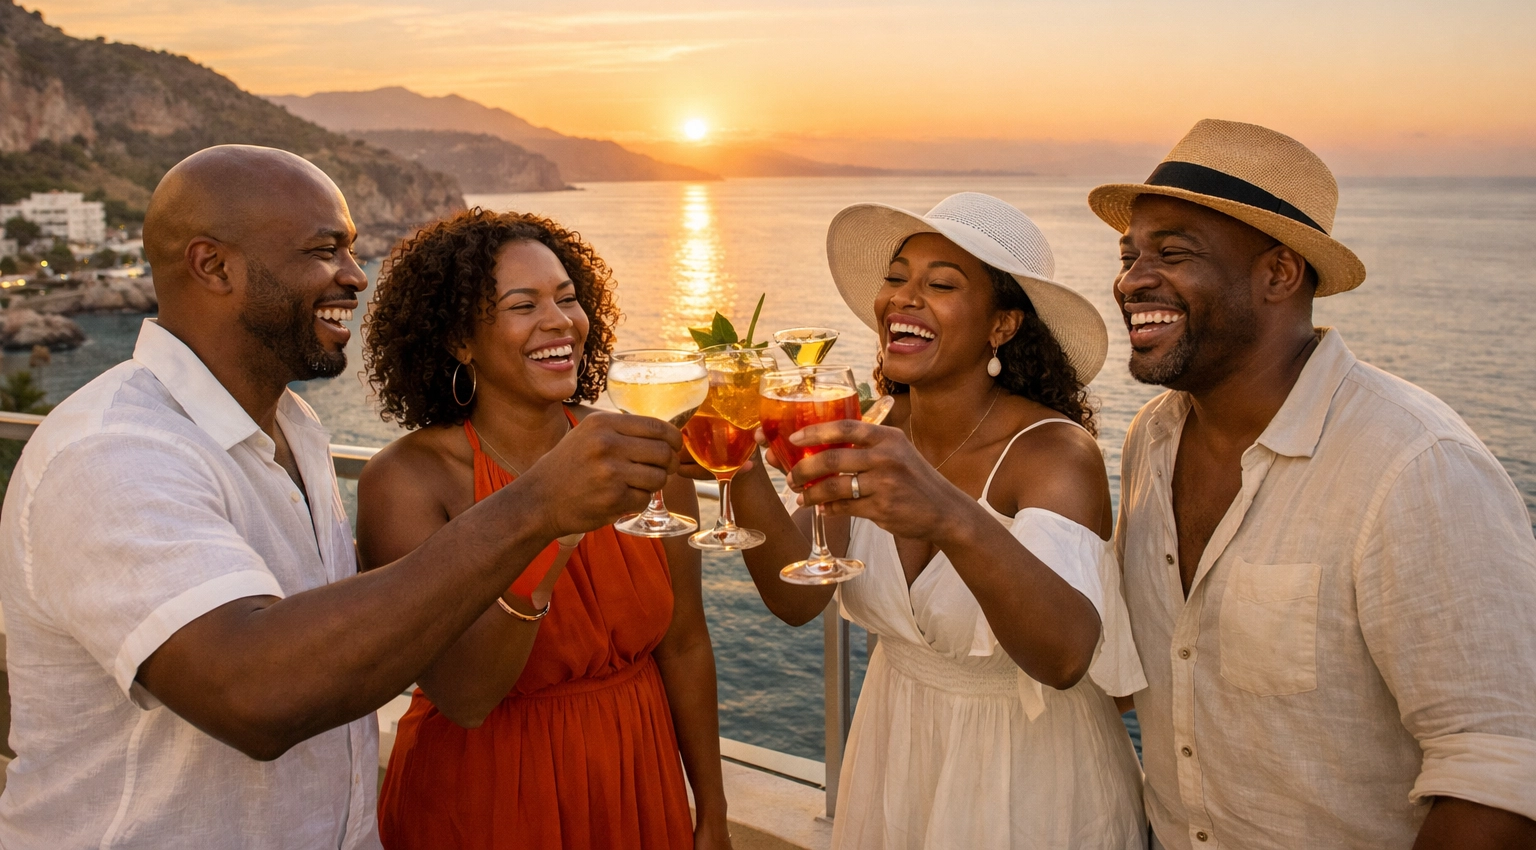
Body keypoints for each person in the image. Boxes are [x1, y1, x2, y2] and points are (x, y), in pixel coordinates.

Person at [0, 147, 682, 849]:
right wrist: (537, 506)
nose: (356, 277)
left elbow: (357, 642)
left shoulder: (295, 430)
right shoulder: (116, 452)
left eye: (351, 251)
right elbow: (254, 696)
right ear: (213, 266)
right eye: (325, 251)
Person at [1089, 119, 1536, 850]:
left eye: (1172, 253)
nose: (1133, 279)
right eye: (1130, 254)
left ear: (1279, 273)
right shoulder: (1151, 439)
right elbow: (1137, 677)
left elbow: (1499, 780)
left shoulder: (1415, 466)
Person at [722, 193, 1147, 849]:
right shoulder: (874, 427)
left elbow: (1064, 657)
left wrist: (950, 515)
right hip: (894, 753)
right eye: (897, 278)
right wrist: (737, 461)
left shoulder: (1053, 455)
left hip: (1030, 775)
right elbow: (794, 595)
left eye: (940, 284)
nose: (903, 298)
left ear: (1002, 325)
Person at [358, 207, 731, 850]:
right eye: (522, 304)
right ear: (459, 339)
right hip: (487, 799)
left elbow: (686, 644)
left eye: (567, 298)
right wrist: (554, 520)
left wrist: (713, 812)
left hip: (639, 783)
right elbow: (465, 695)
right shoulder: (407, 482)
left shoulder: (639, 447)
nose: (559, 321)